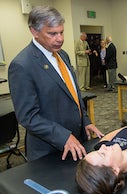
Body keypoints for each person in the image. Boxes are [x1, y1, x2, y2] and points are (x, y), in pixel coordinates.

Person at [8, 6, 103, 162]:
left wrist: (85, 121)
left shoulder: (62, 55)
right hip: (49, 150)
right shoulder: (22, 65)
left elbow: (74, 94)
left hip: (77, 141)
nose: (60, 39)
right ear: (34, 32)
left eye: (61, 32)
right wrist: (64, 136)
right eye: (52, 34)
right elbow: (28, 117)